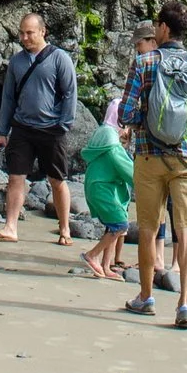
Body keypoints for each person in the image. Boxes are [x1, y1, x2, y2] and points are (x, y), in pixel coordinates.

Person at [116, 0, 187, 331]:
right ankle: (185, 303)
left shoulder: (145, 63)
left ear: (163, 28)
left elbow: (125, 113)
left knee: (148, 229)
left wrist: (141, 123)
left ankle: (146, 297)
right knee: (186, 230)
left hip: (149, 155)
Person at [0, 11, 78, 245]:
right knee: (15, 177)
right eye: (21, 33)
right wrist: (2, 131)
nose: (25, 37)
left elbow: (70, 93)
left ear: (42, 31)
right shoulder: (17, 61)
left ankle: (65, 228)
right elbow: (8, 97)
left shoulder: (60, 58)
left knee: (56, 180)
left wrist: (64, 124)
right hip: (22, 128)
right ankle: (10, 226)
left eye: (29, 33)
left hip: (52, 129)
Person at [76, 110, 135, 280]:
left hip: (99, 187)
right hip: (104, 190)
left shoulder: (102, 137)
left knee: (113, 226)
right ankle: (91, 255)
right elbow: (128, 171)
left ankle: (106, 266)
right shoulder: (113, 147)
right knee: (120, 226)